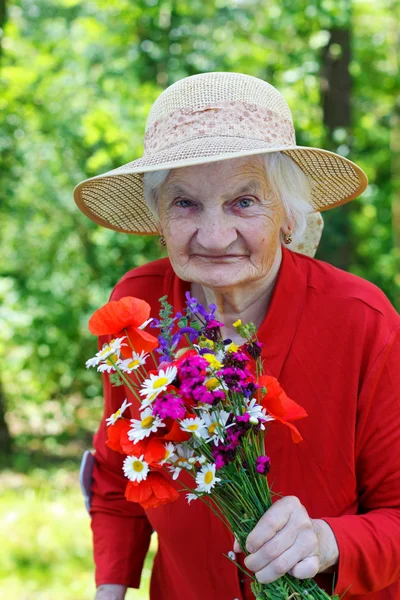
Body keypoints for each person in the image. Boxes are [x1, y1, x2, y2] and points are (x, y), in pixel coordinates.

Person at [73, 72, 400, 600]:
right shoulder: (135, 311)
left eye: (244, 201)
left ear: (288, 217)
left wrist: (328, 540)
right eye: (185, 204)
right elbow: (117, 477)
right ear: (158, 217)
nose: (214, 235)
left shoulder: (362, 320)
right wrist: (110, 589)